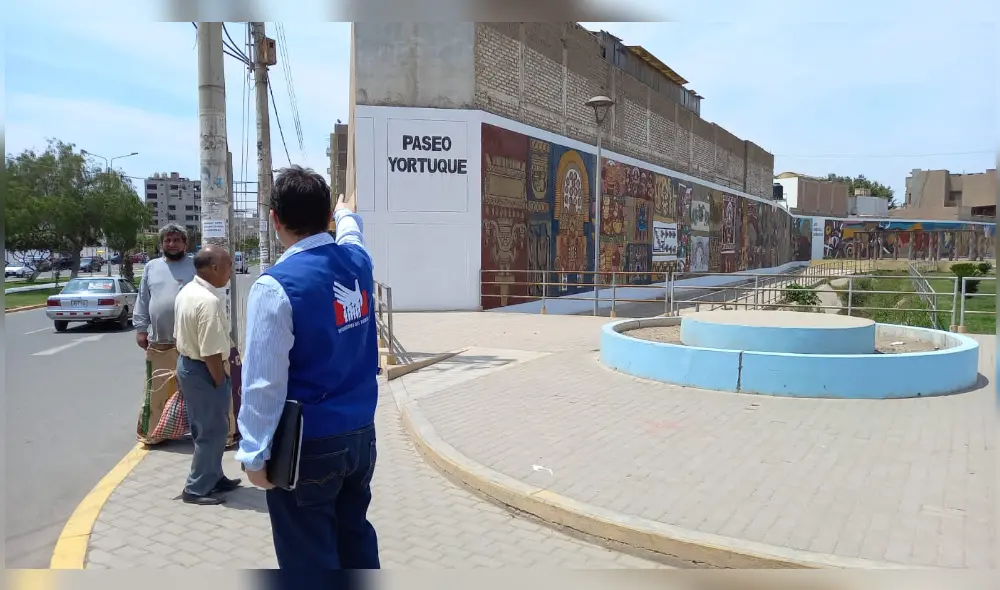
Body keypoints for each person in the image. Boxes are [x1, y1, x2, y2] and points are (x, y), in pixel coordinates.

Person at [236, 166, 380, 569]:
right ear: (326, 218)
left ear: (275, 219)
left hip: (306, 448)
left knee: (309, 558)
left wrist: (254, 454)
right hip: (360, 438)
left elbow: (263, 384)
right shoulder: (357, 262)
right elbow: (353, 233)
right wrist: (346, 213)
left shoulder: (275, 286)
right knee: (356, 541)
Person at [173, 245, 242, 505]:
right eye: (228, 266)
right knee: (212, 431)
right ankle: (196, 487)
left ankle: (214, 476)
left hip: (190, 364)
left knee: (210, 426)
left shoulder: (188, 290)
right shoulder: (208, 301)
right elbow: (211, 352)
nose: (230, 272)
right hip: (205, 369)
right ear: (214, 268)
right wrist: (219, 380)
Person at [133, 225, 197, 446]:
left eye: (177, 240)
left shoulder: (195, 266)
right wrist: (141, 329)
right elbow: (143, 300)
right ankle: (154, 433)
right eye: (167, 240)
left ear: (185, 243)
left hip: (191, 342)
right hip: (160, 342)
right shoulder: (151, 267)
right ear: (161, 244)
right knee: (157, 390)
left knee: (196, 390)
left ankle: (203, 433)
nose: (172, 244)